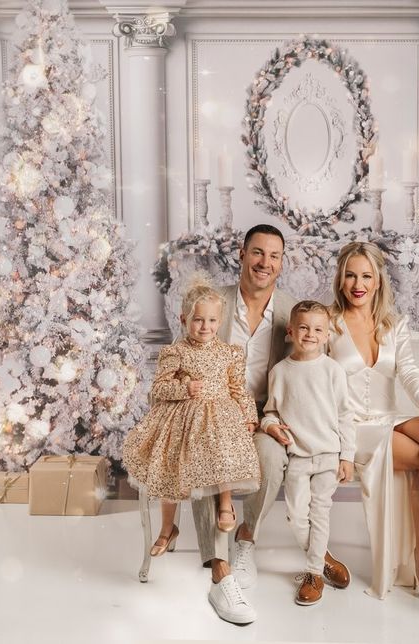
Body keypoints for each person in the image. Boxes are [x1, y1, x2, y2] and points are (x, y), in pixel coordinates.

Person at [191, 224, 350, 624]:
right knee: (209, 448)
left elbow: (311, 370)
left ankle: (246, 537)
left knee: (272, 454)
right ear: (242, 254)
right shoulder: (216, 302)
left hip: (268, 413)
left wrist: (269, 422)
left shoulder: (292, 312)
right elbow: (189, 352)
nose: (265, 262)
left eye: (274, 255)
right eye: (258, 252)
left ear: (282, 262)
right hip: (214, 408)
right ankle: (217, 562)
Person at [327, 241, 419, 602]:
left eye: (366, 276)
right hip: (355, 427)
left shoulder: (394, 324)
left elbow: (409, 374)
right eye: (350, 275)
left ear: (378, 281)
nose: (358, 284)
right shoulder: (327, 323)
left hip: (390, 416)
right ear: (340, 280)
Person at [122, 276, 260, 573]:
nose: (205, 327)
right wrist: (185, 389)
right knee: (169, 468)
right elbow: (158, 388)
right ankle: (167, 527)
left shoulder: (229, 353)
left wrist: (249, 416)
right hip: (180, 420)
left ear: (220, 321)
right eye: (198, 320)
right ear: (184, 319)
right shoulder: (176, 352)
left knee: (222, 451)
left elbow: (238, 388)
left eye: (212, 320)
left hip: (219, 418)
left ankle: (226, 503)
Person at [261, 300, 355, 606]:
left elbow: (345, 416)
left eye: (318, 329)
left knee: (319, 513)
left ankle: (314, 574)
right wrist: (271, 425)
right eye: (303, 327)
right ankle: (324, 557)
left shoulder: (333, 371)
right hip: (298, 456)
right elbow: (270, 412)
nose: (310, 334)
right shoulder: (280, 372)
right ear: (290, 331)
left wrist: (347, 456)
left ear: (327, 335)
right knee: (296, 516)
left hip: (328, 455)